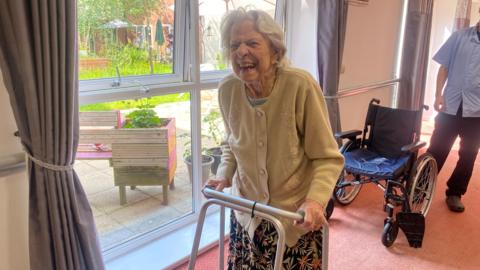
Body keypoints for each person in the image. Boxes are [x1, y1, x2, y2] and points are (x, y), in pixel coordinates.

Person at [206, 8, 344, 269]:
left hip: (292, 218)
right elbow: (231, 143)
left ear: (275, 51)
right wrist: (224, 173)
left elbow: (327, 157)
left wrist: (315, 201)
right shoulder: (228, 90)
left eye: (252, 43)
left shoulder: (300, 86)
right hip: (247, 214)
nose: (241, 51)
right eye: (235, 45)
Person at [427, 13, 480, 213]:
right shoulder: (459, 37)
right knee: (437, 149)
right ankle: (420, 188)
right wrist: (437, 95)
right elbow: (443, 68)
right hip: (451, 104)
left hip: (477, 111)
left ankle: (455, 193)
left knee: (468, 154)